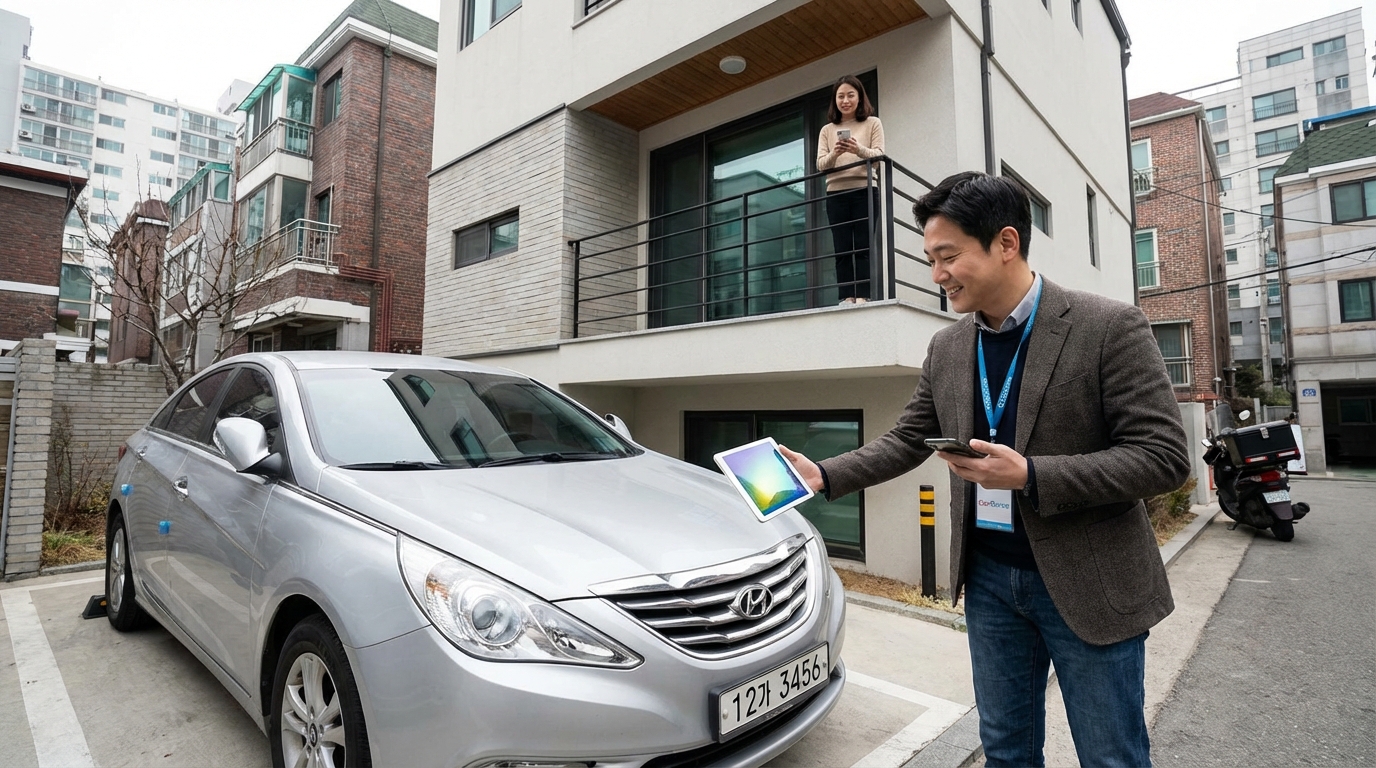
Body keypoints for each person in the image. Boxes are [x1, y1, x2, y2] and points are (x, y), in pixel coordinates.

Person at [781, 172, 1189, 767]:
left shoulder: (1109, 326)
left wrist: (1032, 475)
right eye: (931, 258)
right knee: (1005, 752)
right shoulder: (948, 346)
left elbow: (1163, 457)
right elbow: (907, 438)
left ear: (1005, 243)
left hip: (1088, 582)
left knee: (1112, 757)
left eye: (948, 256)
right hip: (991, 583)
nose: (937, 274)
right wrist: (823, 473)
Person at [817, 75, 885, 305]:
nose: (845, 100)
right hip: (835, 193)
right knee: (842, 248)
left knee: (864, 246)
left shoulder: (872, 123)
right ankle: (847, 296)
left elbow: (878, 157)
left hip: (865, 189)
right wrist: (835, 153)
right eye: (840, 96)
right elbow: (820, 165)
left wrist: (858, 149)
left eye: (850, 95)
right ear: (835, 101)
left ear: (859, 97)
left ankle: (863, 295)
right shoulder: (827, 130)